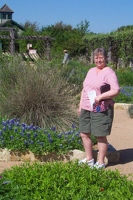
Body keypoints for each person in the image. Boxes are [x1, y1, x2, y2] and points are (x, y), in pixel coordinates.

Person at [78, 47, 120, 169]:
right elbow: (84, 88)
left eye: (101, 57)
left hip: (101, 108)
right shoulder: (91, 71)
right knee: (84, 133)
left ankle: (100, 162)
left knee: (100, 135)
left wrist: (101, 96)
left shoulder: (109, 72)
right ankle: (89, 159)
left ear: (106, 58)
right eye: (96, 57)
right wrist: (81, 104)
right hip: (87, 106)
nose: (98, 60)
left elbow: (116, 90)